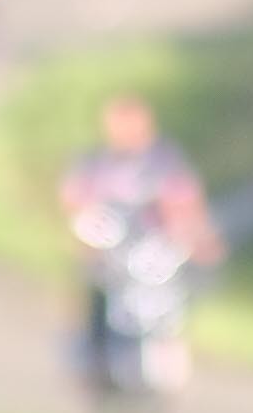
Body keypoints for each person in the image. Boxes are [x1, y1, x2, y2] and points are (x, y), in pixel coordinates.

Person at [60, 91, 223, 394]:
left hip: (153, 251)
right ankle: (95, 360)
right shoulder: (97, 162)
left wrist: (196, 234)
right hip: (112, 252)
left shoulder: (164, 160)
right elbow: (77, 198)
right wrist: (86, 230)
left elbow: (185, 198)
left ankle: (166, 354)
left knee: (172, 298)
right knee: (97, 292)